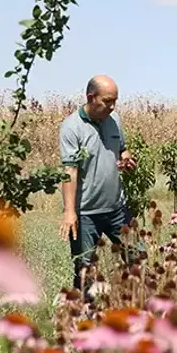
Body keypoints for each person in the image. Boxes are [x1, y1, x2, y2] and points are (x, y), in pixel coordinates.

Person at [58, 75, 137, 295]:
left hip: (117, 209)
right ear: (91, 97)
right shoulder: (72, 127)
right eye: (107, 101)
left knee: (137, 257)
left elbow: (122, 148)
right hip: (86, 214)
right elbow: (70, 171)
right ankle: (82, 317)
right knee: (85, 270)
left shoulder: (115, 120)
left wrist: (127, 159)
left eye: (115, 101)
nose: (112, 106)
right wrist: (69, 212)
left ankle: (135, 306)